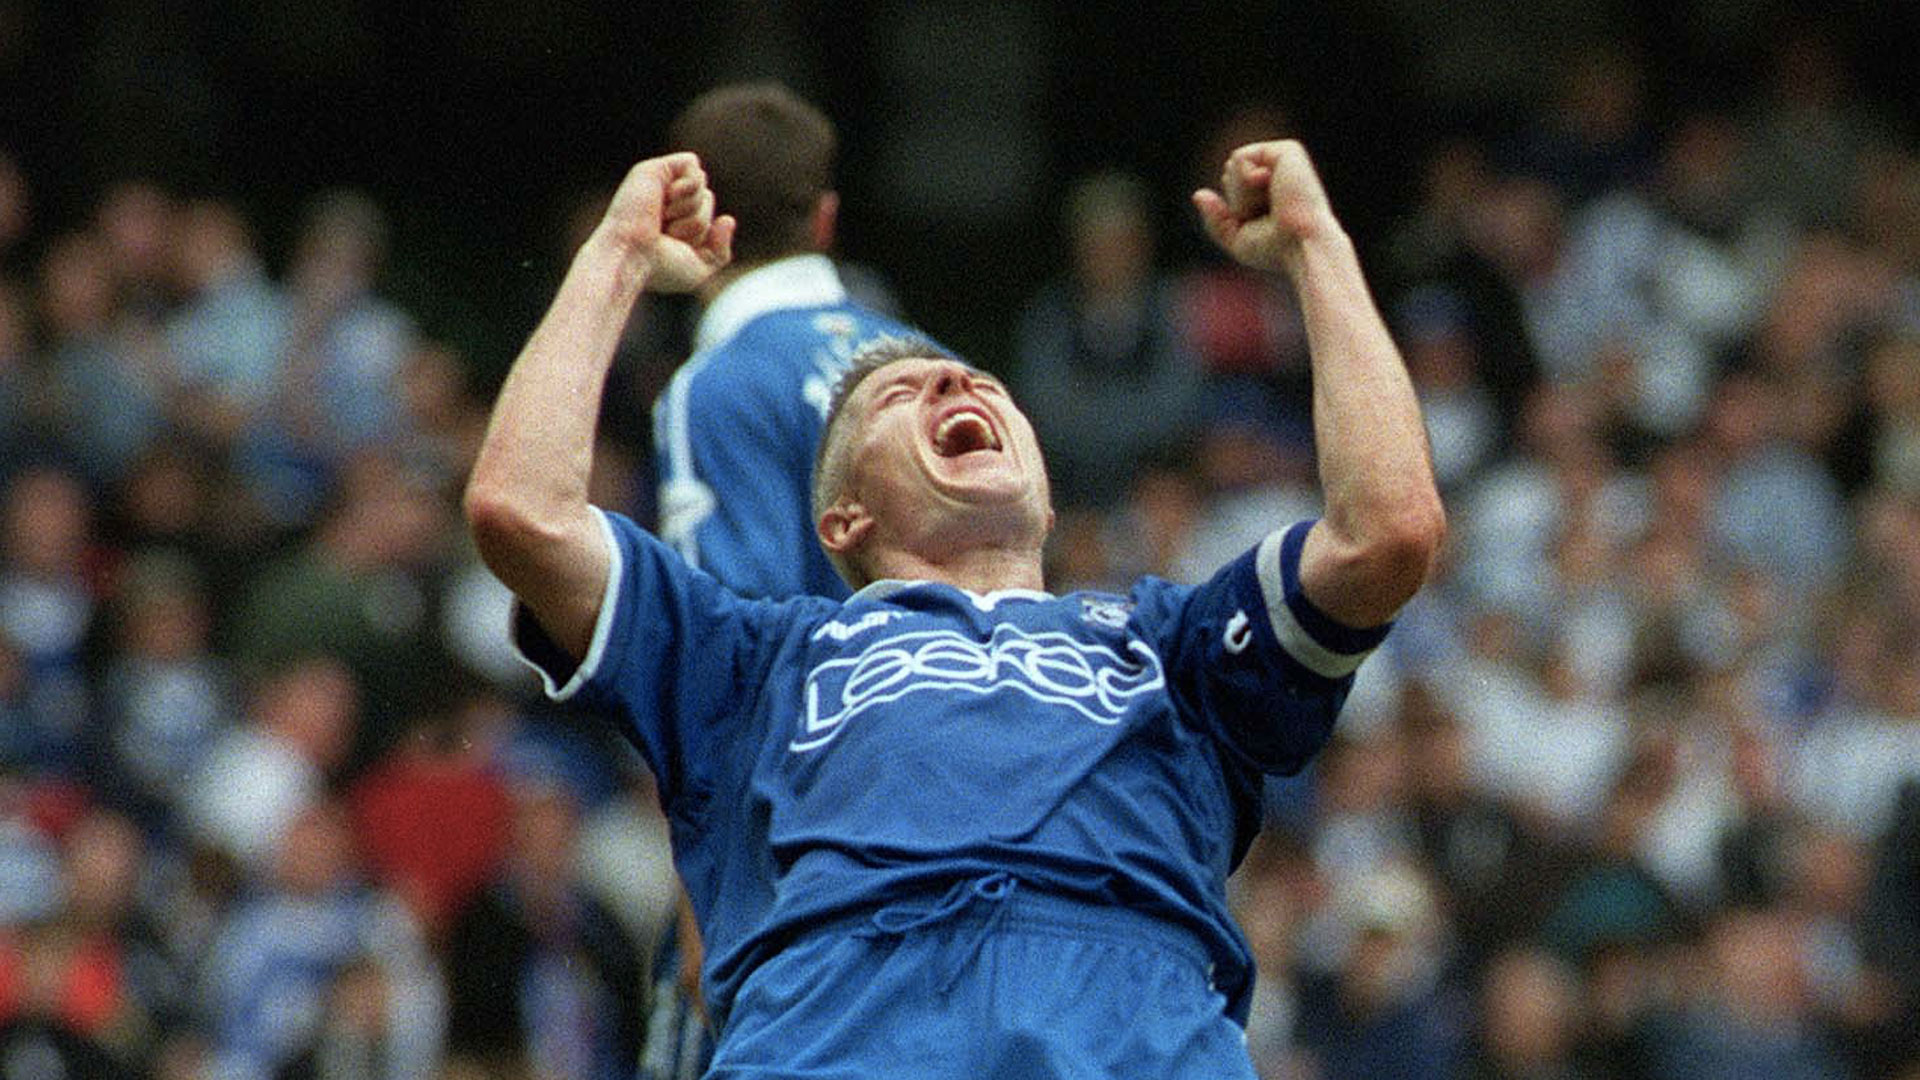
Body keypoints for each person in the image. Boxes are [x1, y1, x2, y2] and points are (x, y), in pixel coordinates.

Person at [465, 140, 1444, 1076]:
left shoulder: (1172, 646)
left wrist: (1321, 248)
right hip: (839, 1036)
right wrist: (618, 255)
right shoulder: (754, 659)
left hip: (1133, 1034)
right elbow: (523, 511)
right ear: (840, 519)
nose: (948, 376)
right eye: (894, 399)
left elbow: (1388, 534)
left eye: (979, 384)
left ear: (1048, 494)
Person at [651, 81, 931, 602]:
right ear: (826, 219)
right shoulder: (944, 372)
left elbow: (729, 636)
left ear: (682, 220)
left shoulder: (716, 387)